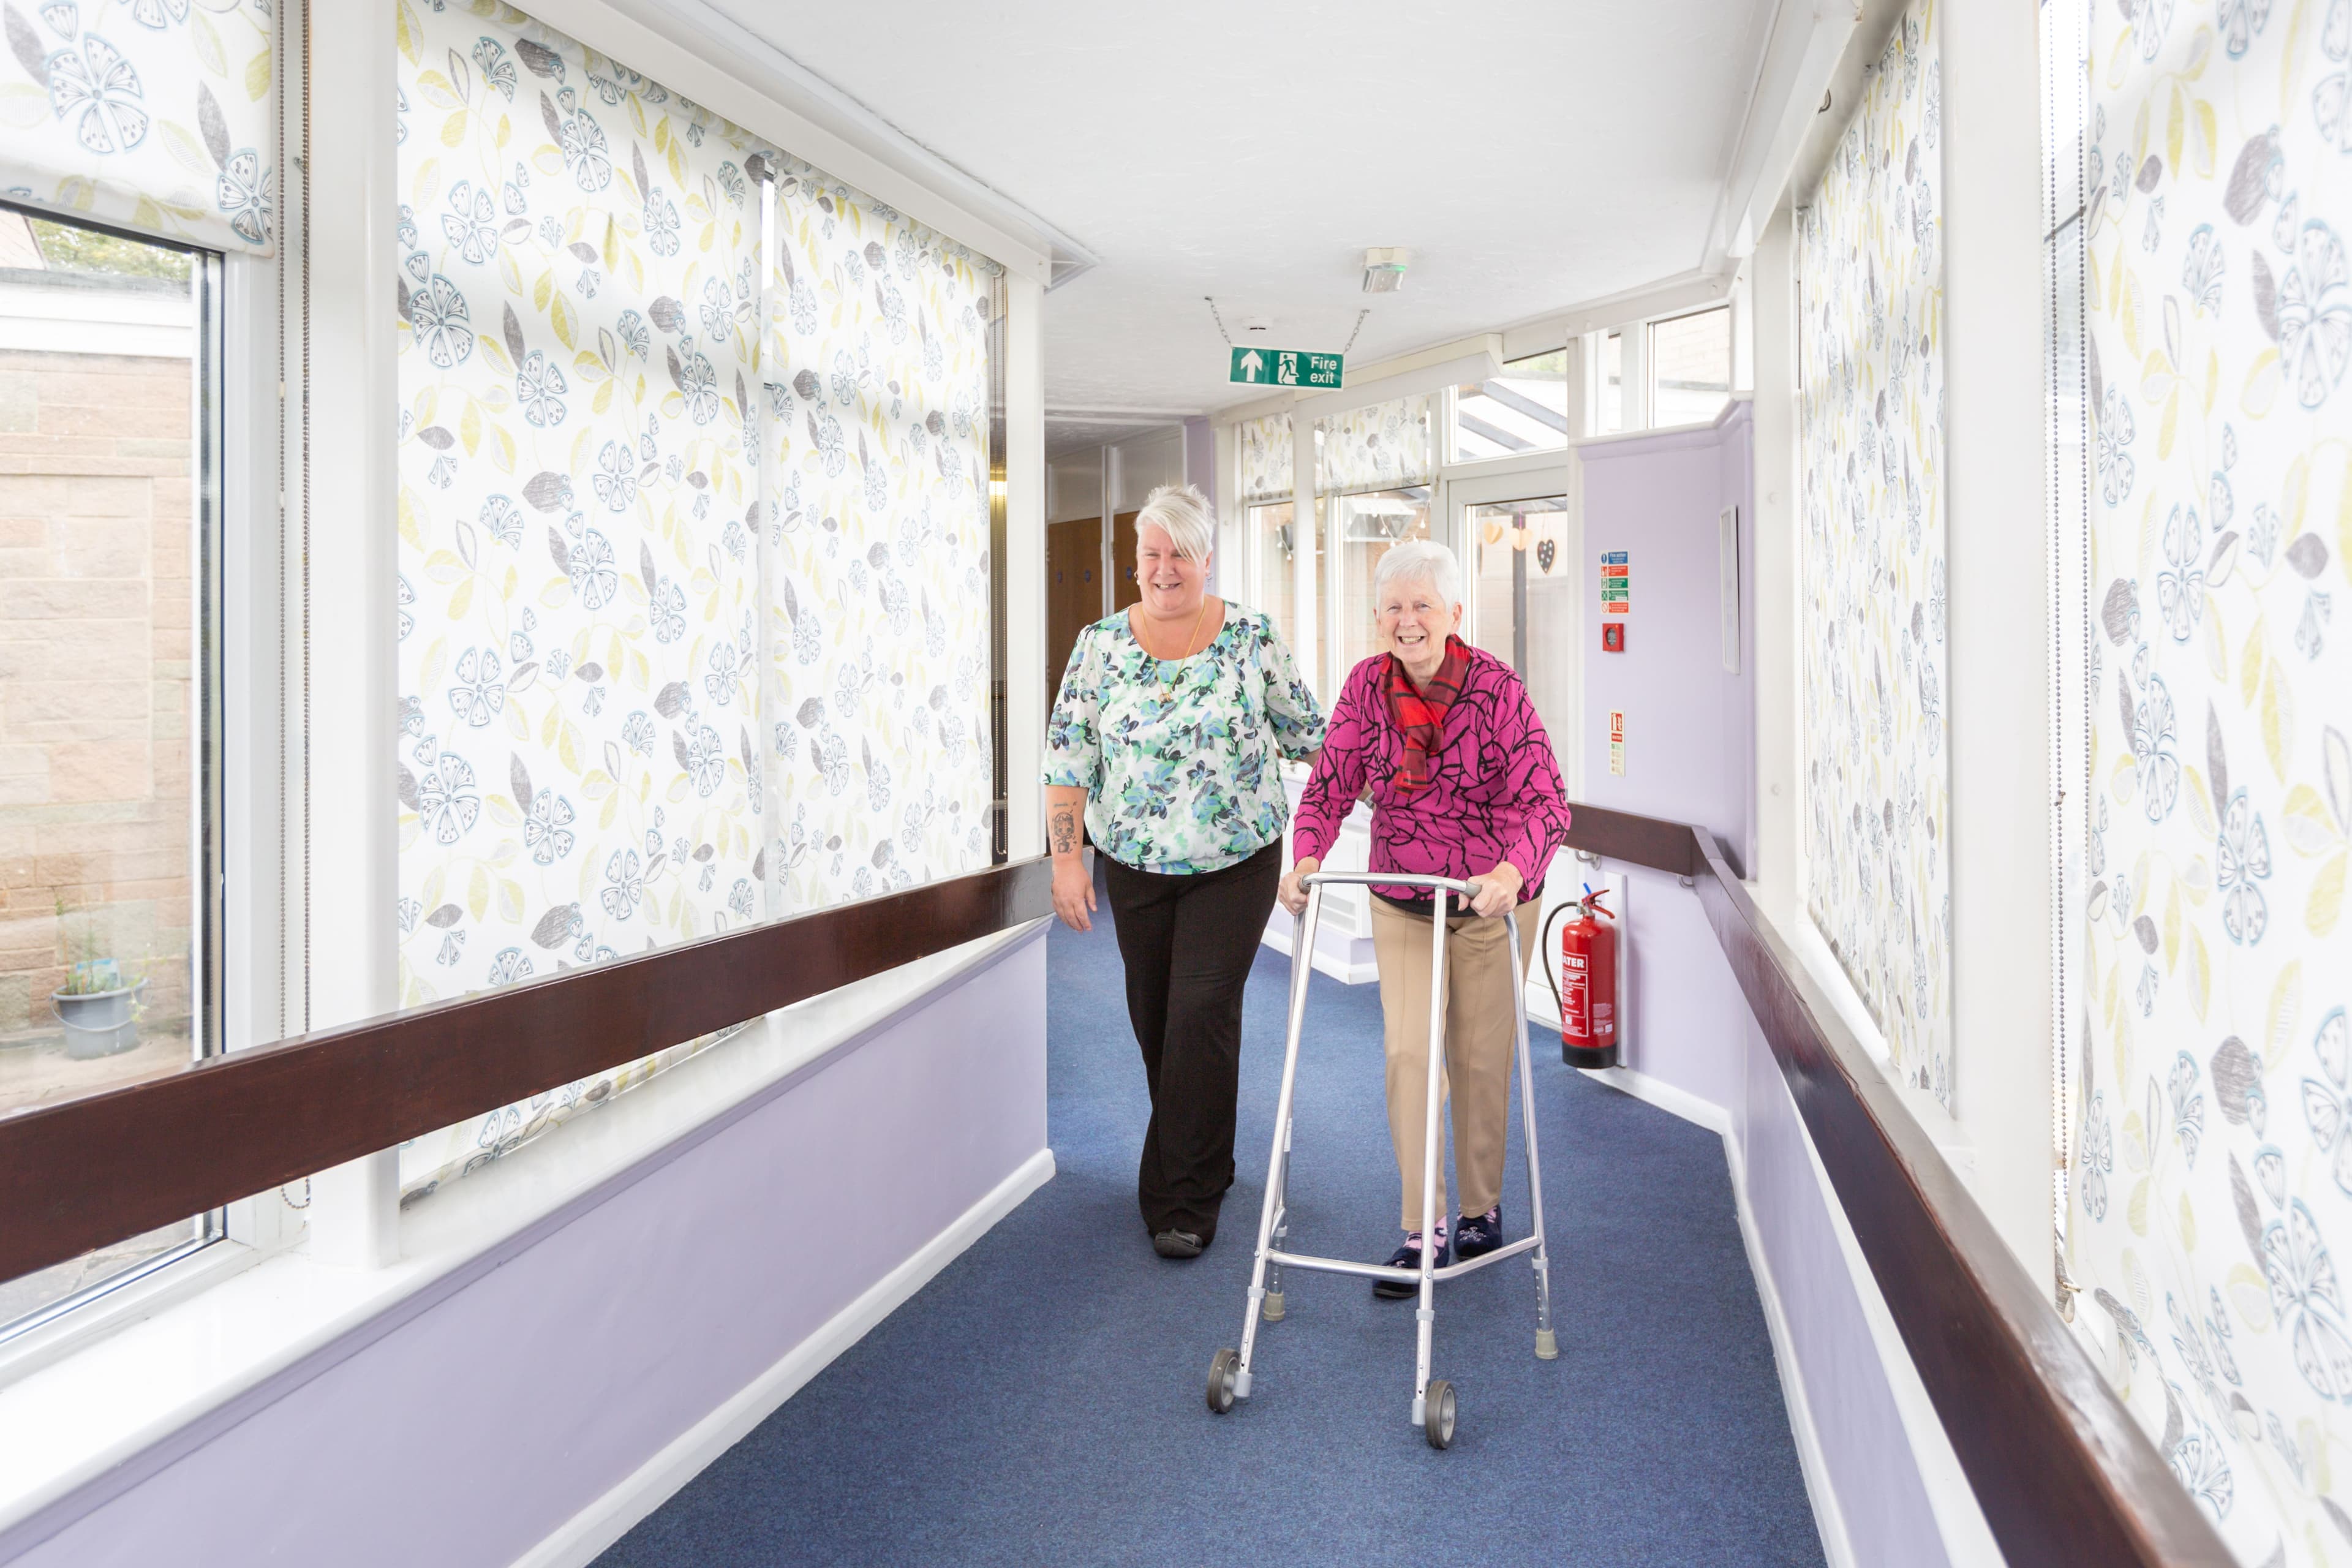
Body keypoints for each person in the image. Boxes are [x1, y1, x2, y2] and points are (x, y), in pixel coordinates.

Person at [1280, 538, 1569, 1297]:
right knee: (1410, 1054)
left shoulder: (1498, 692)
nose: (1409, 621)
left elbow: (1547, 802)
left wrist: (1511, 873)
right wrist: (1306, 856)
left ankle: (1479, 1209)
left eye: (1423, 607)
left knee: (1478, 1058)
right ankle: (1423, 1227)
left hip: (1489, 902)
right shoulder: (1365, 689)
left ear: (1454, 615)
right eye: (1396, 608)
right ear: (1378, 617)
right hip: (1403, 896)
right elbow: (1328, 786)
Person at [1043, 483, 1324, 1260]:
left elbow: (1312, 736)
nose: (1164, 569)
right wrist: (1069, 862)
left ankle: (1182, 1199)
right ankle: (1210, 1156)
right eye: (1151, 555)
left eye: (1179, 555)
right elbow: (1067, 758)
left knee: (1200, 1012)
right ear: (1135, 563)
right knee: (1157, 1019)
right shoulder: (1098, 646)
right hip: (1133, 866)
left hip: (1235, 862)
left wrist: (1409, 782)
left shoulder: (1251, 638)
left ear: (1206, 560)